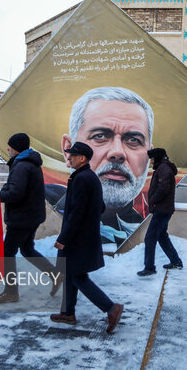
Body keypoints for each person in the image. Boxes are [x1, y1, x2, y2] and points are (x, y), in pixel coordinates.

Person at [59, 87, 153, 242]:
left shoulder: (141, 225)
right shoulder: (49, 200)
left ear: (149, 154)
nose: (117, 153)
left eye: (133, 140)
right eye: (100, 136)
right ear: (67, 149)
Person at [51, 142, 123, 333]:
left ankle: (111, 308)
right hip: (83, 236)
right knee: (70, 273)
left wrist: (65, 237)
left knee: (78, 276)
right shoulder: (88, 177)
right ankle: (67, 312)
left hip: (77, 238)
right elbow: (99, 208)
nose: (69, 158)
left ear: (82, 158)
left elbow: (76, 212)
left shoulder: (82, 179)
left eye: (72, 155)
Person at [0, 133, 59, 304]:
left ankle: (11, 292)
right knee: (27, 249)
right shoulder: (29, 163)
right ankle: (56, 275)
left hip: (22, 218)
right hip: (31, 216)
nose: (8, 148)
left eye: (10, 146)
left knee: (7, 253)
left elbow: (15, 193)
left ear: (16, 148)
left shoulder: (22, 166)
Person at [137, 148, 183, 276]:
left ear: (157, 157)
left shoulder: (164, 169)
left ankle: (149, 267)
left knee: (150, 238)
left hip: (162, 209)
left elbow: (163, 188)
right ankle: (176, 261)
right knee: (162, 236)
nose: (151, 162)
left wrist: (153, 200)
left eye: (152, 159)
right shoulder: (163, 168)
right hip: (163, 209)